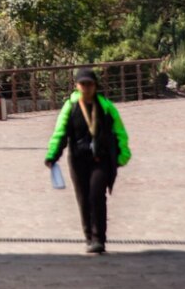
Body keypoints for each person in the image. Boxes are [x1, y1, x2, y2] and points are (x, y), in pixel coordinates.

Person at [44, 68, 132, 254]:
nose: (86, 87)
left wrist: (122, 154)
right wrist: (53, 154)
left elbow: (119, 132)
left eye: (89, 84)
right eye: (82, 84)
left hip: (102, 159)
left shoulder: (106, 106)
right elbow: (60, 133)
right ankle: (89, 237)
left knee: (96, 195)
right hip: (78, 160)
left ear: (95, 85)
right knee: (84, 199)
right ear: (77, 86)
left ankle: (99, 238)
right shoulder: (71, 106)